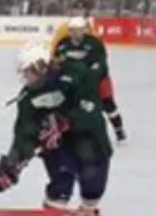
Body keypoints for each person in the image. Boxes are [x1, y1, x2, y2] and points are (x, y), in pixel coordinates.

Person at [0, 40, 113, 209]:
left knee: (93, 188)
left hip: (90, 140)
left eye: (29, 71)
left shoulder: (78, 73)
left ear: (41, 65)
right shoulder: (29, 97)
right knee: (60, 185)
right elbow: (25, 132)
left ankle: (88, 215)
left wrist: (66, 120)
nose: (26, 77)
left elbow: (91, 109)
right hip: (58, 144)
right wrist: (13, 163)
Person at [52, 13, 127, 144]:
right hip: (76, 80)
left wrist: (90, 77)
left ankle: (119, 129)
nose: (75, 33)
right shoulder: (63, 44)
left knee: (107, 103)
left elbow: (100, 64)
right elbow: (56, 63)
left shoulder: (94, 44)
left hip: (98, 79)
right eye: (72, 30)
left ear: (84, 30)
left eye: (79, 30)